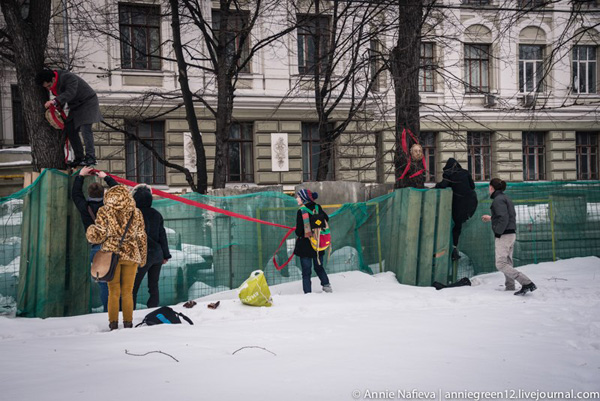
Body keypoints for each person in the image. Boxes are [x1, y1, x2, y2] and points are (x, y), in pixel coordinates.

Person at [86, 185, 147, 330]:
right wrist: (142, 257)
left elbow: (98, 235)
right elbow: (141, 236)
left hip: (111, 255)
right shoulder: (136, 212)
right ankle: (128, 323)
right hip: (131, 255)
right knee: (127, 292)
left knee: (113, 292)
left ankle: (113, 324)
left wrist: (90, 231)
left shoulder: (104, 211)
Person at [72, 166, 118, 312]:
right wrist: (106, 177)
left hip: (97, 248)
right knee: (118, 281)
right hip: (114, 246)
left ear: (88, 193)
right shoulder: (110, 207)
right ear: (104, 193)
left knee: (104, 283)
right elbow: (119, 192)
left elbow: (75, 194)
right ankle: (120, 310)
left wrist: (80, 176)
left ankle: (108, 311)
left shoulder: (85, 208)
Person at [35, 69, 102, 167]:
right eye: (46, 87)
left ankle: (91, 158)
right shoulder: (53, 83)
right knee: (70, 128)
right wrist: (57, 109)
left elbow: (70, 93)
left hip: (88, 102)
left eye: (49, 85)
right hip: (75, 106)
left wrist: (54, 102)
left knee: (85, 129)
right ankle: (79, 158)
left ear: (53, 79)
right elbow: (63, 99)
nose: (49, 89)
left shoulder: (67, 77)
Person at [481, 178, 537, 296]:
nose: (488, 190)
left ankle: (526, 282)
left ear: (491, 188)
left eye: (489, 187)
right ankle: (510, 286)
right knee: (507, 261)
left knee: (500, 263)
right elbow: (507, 216)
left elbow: (504, 218)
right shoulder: (505, 198)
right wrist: (491, 218)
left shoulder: (498, 200)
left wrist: (498, 232)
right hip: (510, 233)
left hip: (504, 234)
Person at [131, 184, 171, 309]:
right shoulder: (156, 214)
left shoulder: (133, 215)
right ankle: (153, 308)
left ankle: (129, 311)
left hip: (141, 256)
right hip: (157, 255)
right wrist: (165, 255)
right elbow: (162, 235)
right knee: (153, 285)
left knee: (133, 286)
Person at [435, 158, 478, 261]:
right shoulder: (465, 172)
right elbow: (472, 186)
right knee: (458, 226)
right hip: (470, 203)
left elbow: (443, 185)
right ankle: (454, 250)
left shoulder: (449, 174)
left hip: (457, 205)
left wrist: (436, 186)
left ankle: (451, 251)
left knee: (452, 226)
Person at [293, 189, 332, 294]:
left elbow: (299, 232)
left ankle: (308, 293)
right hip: (318, 243)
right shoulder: (317, 207)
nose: (296, 198)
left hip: (305, 246)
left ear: (304, 198)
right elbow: (326, 219)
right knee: (319, 267)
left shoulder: (301, 211)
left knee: (306, 272)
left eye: (298, 197)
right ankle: (327, 286)